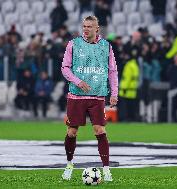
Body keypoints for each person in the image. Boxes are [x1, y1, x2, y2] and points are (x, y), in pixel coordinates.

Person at [61, 16, 118, 182]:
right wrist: (78, 81)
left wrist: (114, 93)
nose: (85, 29)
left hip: (97, 95)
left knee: (100, 130)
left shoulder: (106, 46)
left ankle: (106, 169)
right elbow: (65, 68)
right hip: (76, 95)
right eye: (84, 26)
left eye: (89, 27)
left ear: (97, 29)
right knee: (72, 132)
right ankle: (69, 165)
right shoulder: (73, 44)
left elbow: (112, 71)